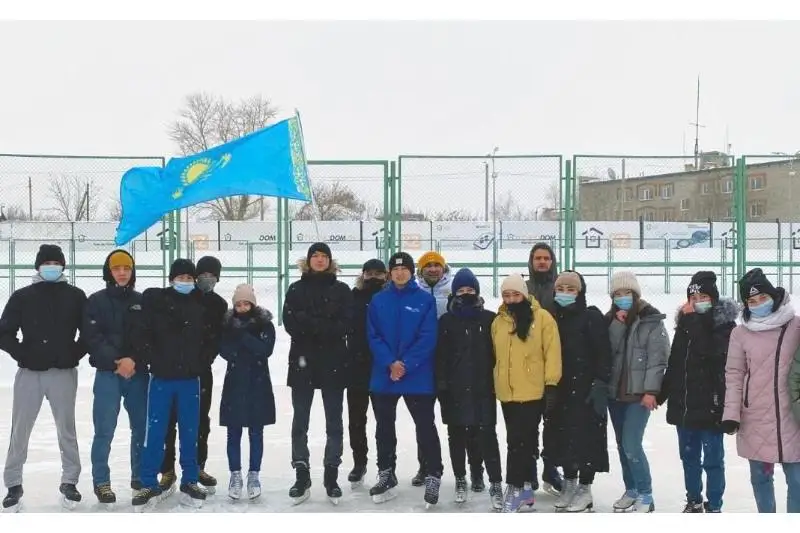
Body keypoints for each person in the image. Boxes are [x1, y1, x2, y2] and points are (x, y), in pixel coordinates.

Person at [0, 244, 87, 512]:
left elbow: (89, 332)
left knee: (67, 429)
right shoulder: (22, 296)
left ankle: (70, 481)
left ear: (63, 266)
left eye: (56, 262)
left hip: (63, 373)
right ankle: (13, 483)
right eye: (46, 262)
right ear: (38, 266)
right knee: (20, 429)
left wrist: (73, 354)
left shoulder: (75, 296)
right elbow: (4, 333)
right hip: (30, 373)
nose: (52, 266)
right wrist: (22, 354)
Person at [367, 251, 443, 507]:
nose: (400, 273)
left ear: (412, 272)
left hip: (417, 374)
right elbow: (373, 335)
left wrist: (406, 364)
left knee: (425, 426)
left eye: (405, 269)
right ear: (390, 273)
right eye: (395, 269)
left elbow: (428, 336)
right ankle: (386, 472)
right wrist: (390, 362)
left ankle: (433, 473)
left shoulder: (424, 300)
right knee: (384, 427)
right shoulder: (378, 300)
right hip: (385, 373)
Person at [131, 258, 208, 510]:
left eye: (189, 278)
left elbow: (208, 340)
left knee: (189, 430)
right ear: (171, 279)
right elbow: (144, 335)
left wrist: (200, 362)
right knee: (155, 431)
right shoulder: (157, 302)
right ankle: (147, 482)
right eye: (180, 277)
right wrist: (155, 359)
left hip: (189, 379)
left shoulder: (199, 305)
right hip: (162, 378)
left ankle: (190, 479)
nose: (184, 282)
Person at [658, 271, 738, 513]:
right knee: (689, 458)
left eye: (704, 296)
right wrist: (661, 393)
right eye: (694, 297)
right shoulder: (684, 327)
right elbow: (675, 363)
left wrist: (693, 323)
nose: (698, 301)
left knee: (713, 461)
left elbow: (712, 355)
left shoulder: (724, 326)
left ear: (713, 299)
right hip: (685, 405)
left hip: (712, 406)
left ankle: (714, 504)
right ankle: (693, 500)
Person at [282, 242, 353, 505]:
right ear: (308, 260)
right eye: (315, 256)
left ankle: (331, 474)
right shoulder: (296, 289)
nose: (320, 260)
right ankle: (301, 474)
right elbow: (290, 321)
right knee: (300, 421)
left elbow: (346, 323)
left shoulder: (341, 290)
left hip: (333, 362)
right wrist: (322, 323)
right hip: (302, 362)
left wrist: (312, 323)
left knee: (334, 421)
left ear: (330, 261)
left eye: (324, 256)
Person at [726, 268, 800, 513]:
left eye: (762, 298)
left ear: (774, 296)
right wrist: (731, 414)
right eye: (752, 301)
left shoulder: (796, 326)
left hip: (792, 416)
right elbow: (734, 375)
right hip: (755, 416)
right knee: (761, 478)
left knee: (797, 481)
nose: (758, 304)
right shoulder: (740, 333)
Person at [491, 273, 561, 513]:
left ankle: (514, 486)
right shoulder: (498, 321)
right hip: (507, 393)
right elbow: (496, 356)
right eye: (506, 295)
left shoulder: (542, 319)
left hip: (532, 392)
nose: (511, 299)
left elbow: (552, 352)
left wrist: (551, 384)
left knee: (518, 443)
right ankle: (528, 490)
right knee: (523, 441)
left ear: (524, 294)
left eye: (515, 294)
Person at [435, 268, 504, 511]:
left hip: (484, 387)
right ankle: (461, 478)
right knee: (457, 435)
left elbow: (499, 354)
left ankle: (495, 481)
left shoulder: (489, 319)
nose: (466, 294)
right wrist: (442, 384)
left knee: (486, 435)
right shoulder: (446, 321)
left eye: (470, 290)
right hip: (454, 389)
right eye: (461, 290)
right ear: (454, 293)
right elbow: (440, 356)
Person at [159, 255, 227, 496]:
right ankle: (167, 468)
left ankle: (197, 466)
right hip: (174, 369)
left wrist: (204, 358)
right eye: (203, 275)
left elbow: (217, 337)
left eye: (212, 276)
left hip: (200, 371)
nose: (207, 280)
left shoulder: (219, 304)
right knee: (170, 420)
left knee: (200, 420)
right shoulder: (188, 297)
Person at [84, 249, 147, 506]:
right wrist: (116, 361)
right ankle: (102, 482)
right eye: (117, 268)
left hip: (137, 374)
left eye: (127, 268)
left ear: (132, 272)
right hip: (108, 374)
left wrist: (134, 359)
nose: (122, 273)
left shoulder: (142, 301)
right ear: (108, 272)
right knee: (104, 430)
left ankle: (140, 478)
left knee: (141, 429)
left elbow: (146, 336)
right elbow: (92, 337)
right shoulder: (95, 301)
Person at [606, 271, 669, 513]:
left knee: (632, 444)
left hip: (639, 396)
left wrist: (652, 390)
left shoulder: (652, 321)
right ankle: (630, 489)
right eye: (617, 294)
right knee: (622, 445)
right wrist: (617, 325)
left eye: (627, 293)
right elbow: (607, 352)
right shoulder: (610, 320)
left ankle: (645, 493)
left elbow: (658, 360)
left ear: (636, 294)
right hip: (616, 395)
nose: (622, 298)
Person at [549, 270, 611, 513]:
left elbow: (603, 353)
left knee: (586, 440)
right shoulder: (552, 317)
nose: (565, 294)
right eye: (561, 289)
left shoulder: (590, 317)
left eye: (571, 289)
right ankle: (569, 483)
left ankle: (585, 488)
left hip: (587, 390)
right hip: (562, 389)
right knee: (564, 437)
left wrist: (600, 382)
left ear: (580, 292)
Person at [219, 284, 276, 501]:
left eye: (246, 303)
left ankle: (254, 474)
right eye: (238, 304)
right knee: (233, 432)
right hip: (234, 383)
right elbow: (225, 351)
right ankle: (235, 474)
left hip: (258, 384)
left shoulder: (264, 324)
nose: (242, 307)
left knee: (256, 431)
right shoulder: (227, 325)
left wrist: (243, 337)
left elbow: (265, 350)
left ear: (253, 303)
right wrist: (246, 347)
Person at [524, 241, 563, 495]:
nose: (542, 262)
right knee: (527, 425)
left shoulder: (561, 288)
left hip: (555, 365)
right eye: (537, 258)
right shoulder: (524, 289)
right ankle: (528, 475)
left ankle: (551, 469)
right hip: (527, 367)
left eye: (546, 258)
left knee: (554, 423)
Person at [346, 258, 387, 487]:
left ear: (386, 276)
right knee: (356, 420)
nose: (373, 277)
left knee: (384, 420)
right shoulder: (353, 297)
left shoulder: (389, 298)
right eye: (369, 273)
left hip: (382, 366)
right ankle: (359, 462)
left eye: (378, 274)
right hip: (356, 367)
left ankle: (385, 466)